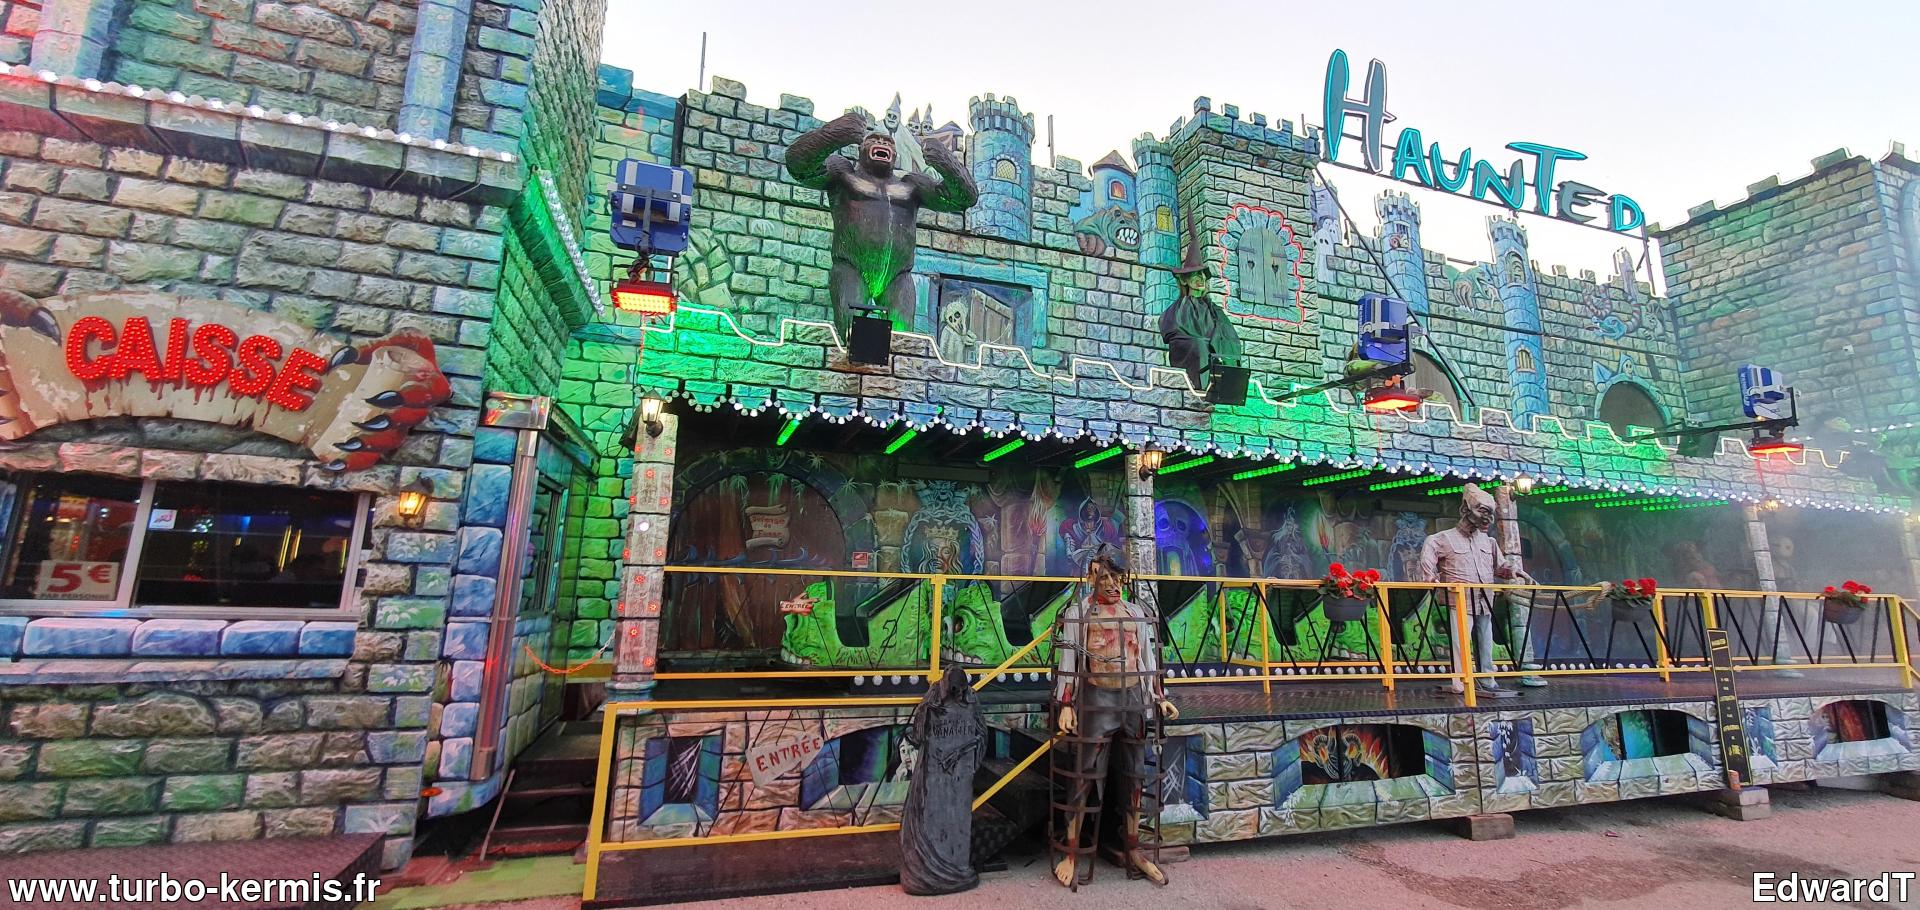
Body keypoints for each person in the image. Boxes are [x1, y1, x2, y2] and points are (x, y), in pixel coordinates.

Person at [1050, 551, 1176, 888]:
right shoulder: (1079, 613)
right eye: (1102, 577)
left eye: (1115, 577)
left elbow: (1147, 658)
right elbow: (1069, 661)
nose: (1110, 583)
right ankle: (1071, 852)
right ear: (1091, 578)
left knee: (1135, 775)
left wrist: (1159, 698)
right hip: (1096, 700)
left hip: (1132, 699)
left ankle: (1134, 848)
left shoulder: (1135, 613)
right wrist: (1066, 704)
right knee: (1084, 774)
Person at [1418, 483, 1520, 699]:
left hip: (1485, 599)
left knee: (1485, 639)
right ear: (1465, 509)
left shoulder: (1489, 542)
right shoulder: (1442, 539)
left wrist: (1514, 571)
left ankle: (1487, 679)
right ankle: (1460, 681)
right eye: (1483, 511)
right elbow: (1428, 560)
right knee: (1460, 641)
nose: (1488, 518)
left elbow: (1500, 567)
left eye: (1490, 513)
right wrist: (1432, 579)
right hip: (1460, 599)